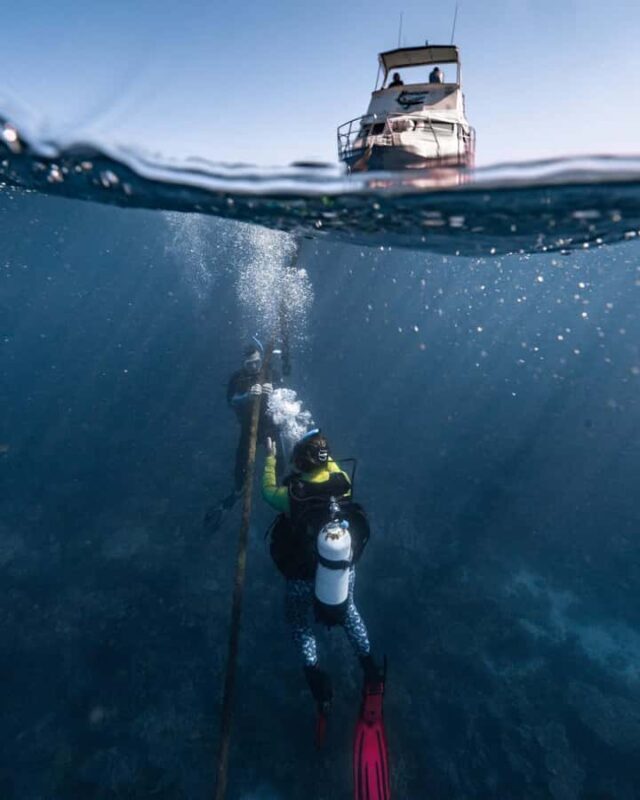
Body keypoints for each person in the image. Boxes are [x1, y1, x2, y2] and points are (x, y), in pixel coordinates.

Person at [261, 429, 382, 724]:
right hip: (340, 569)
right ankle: (370, 669)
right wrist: (317, 442)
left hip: (303, 574)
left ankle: (316, 679)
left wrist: (270, 459)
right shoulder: (343, 480)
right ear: (327, 459)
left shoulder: (293, 496)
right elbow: (325, 463)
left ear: (301, 460)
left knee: (299, 622)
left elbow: (267, 491)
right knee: (349, 612)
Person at [204, 342, 279, 530]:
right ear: (243, 364)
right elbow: (231, 401)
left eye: (256, 362)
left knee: (280, 462)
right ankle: (235, 496)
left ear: (260, 359)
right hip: (249, 428)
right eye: (249, 364)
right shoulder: (237, 378)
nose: (254, 367)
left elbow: (286, 395)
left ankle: (279, 494)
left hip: (270, 427)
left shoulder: (269, 372)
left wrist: (274, 392)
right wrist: (246, 396)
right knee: (241, 467)